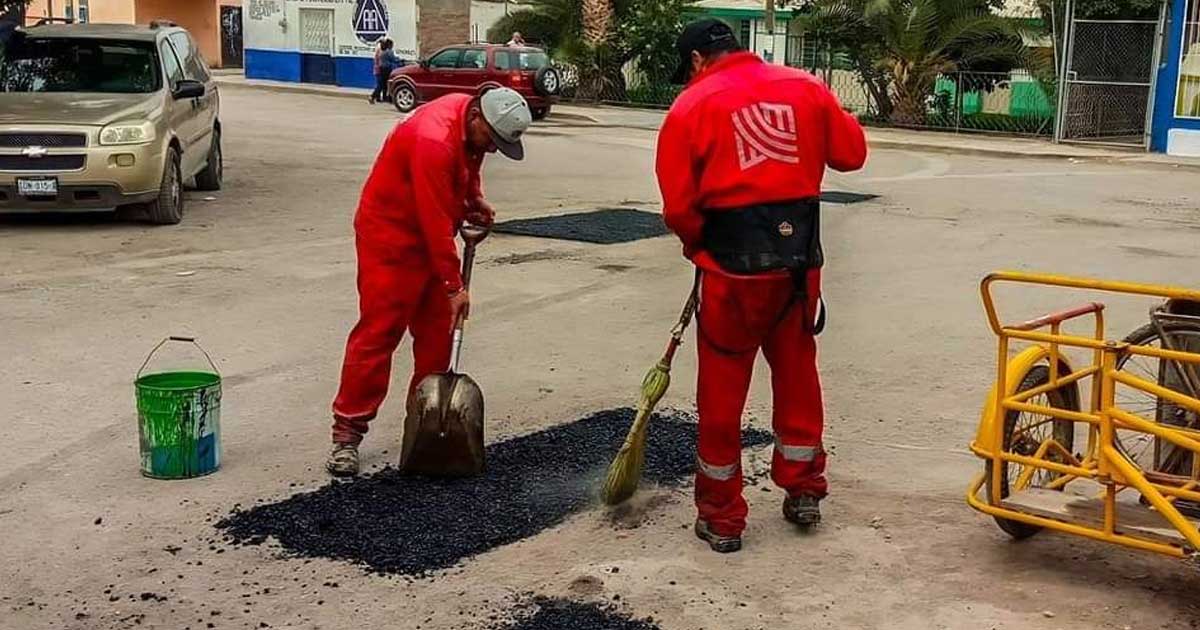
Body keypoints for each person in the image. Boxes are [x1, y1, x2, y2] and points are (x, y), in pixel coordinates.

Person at [655, 19, 867, 553]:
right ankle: (804, 490)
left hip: (731, 274)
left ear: (698, 61)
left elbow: (679, 209)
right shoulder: (806, 87)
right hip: (798, 270)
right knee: (797, 374)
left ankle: (722, 516)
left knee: (722, 390)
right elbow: (851, 155)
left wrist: (699, 250)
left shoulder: (690, 108)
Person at [327, 88, 533, 476]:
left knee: (439, 334)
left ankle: (424, 430)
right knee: (379, 332)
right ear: (478, 119)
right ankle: (347, 434)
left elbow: (468, 165)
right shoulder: (433, 140)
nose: (491, 150)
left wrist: (474, 199)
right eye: (492, 140)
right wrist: (454, 288)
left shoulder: (468, 118)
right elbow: (435, 221)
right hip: (390, 239)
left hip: (428, 233)